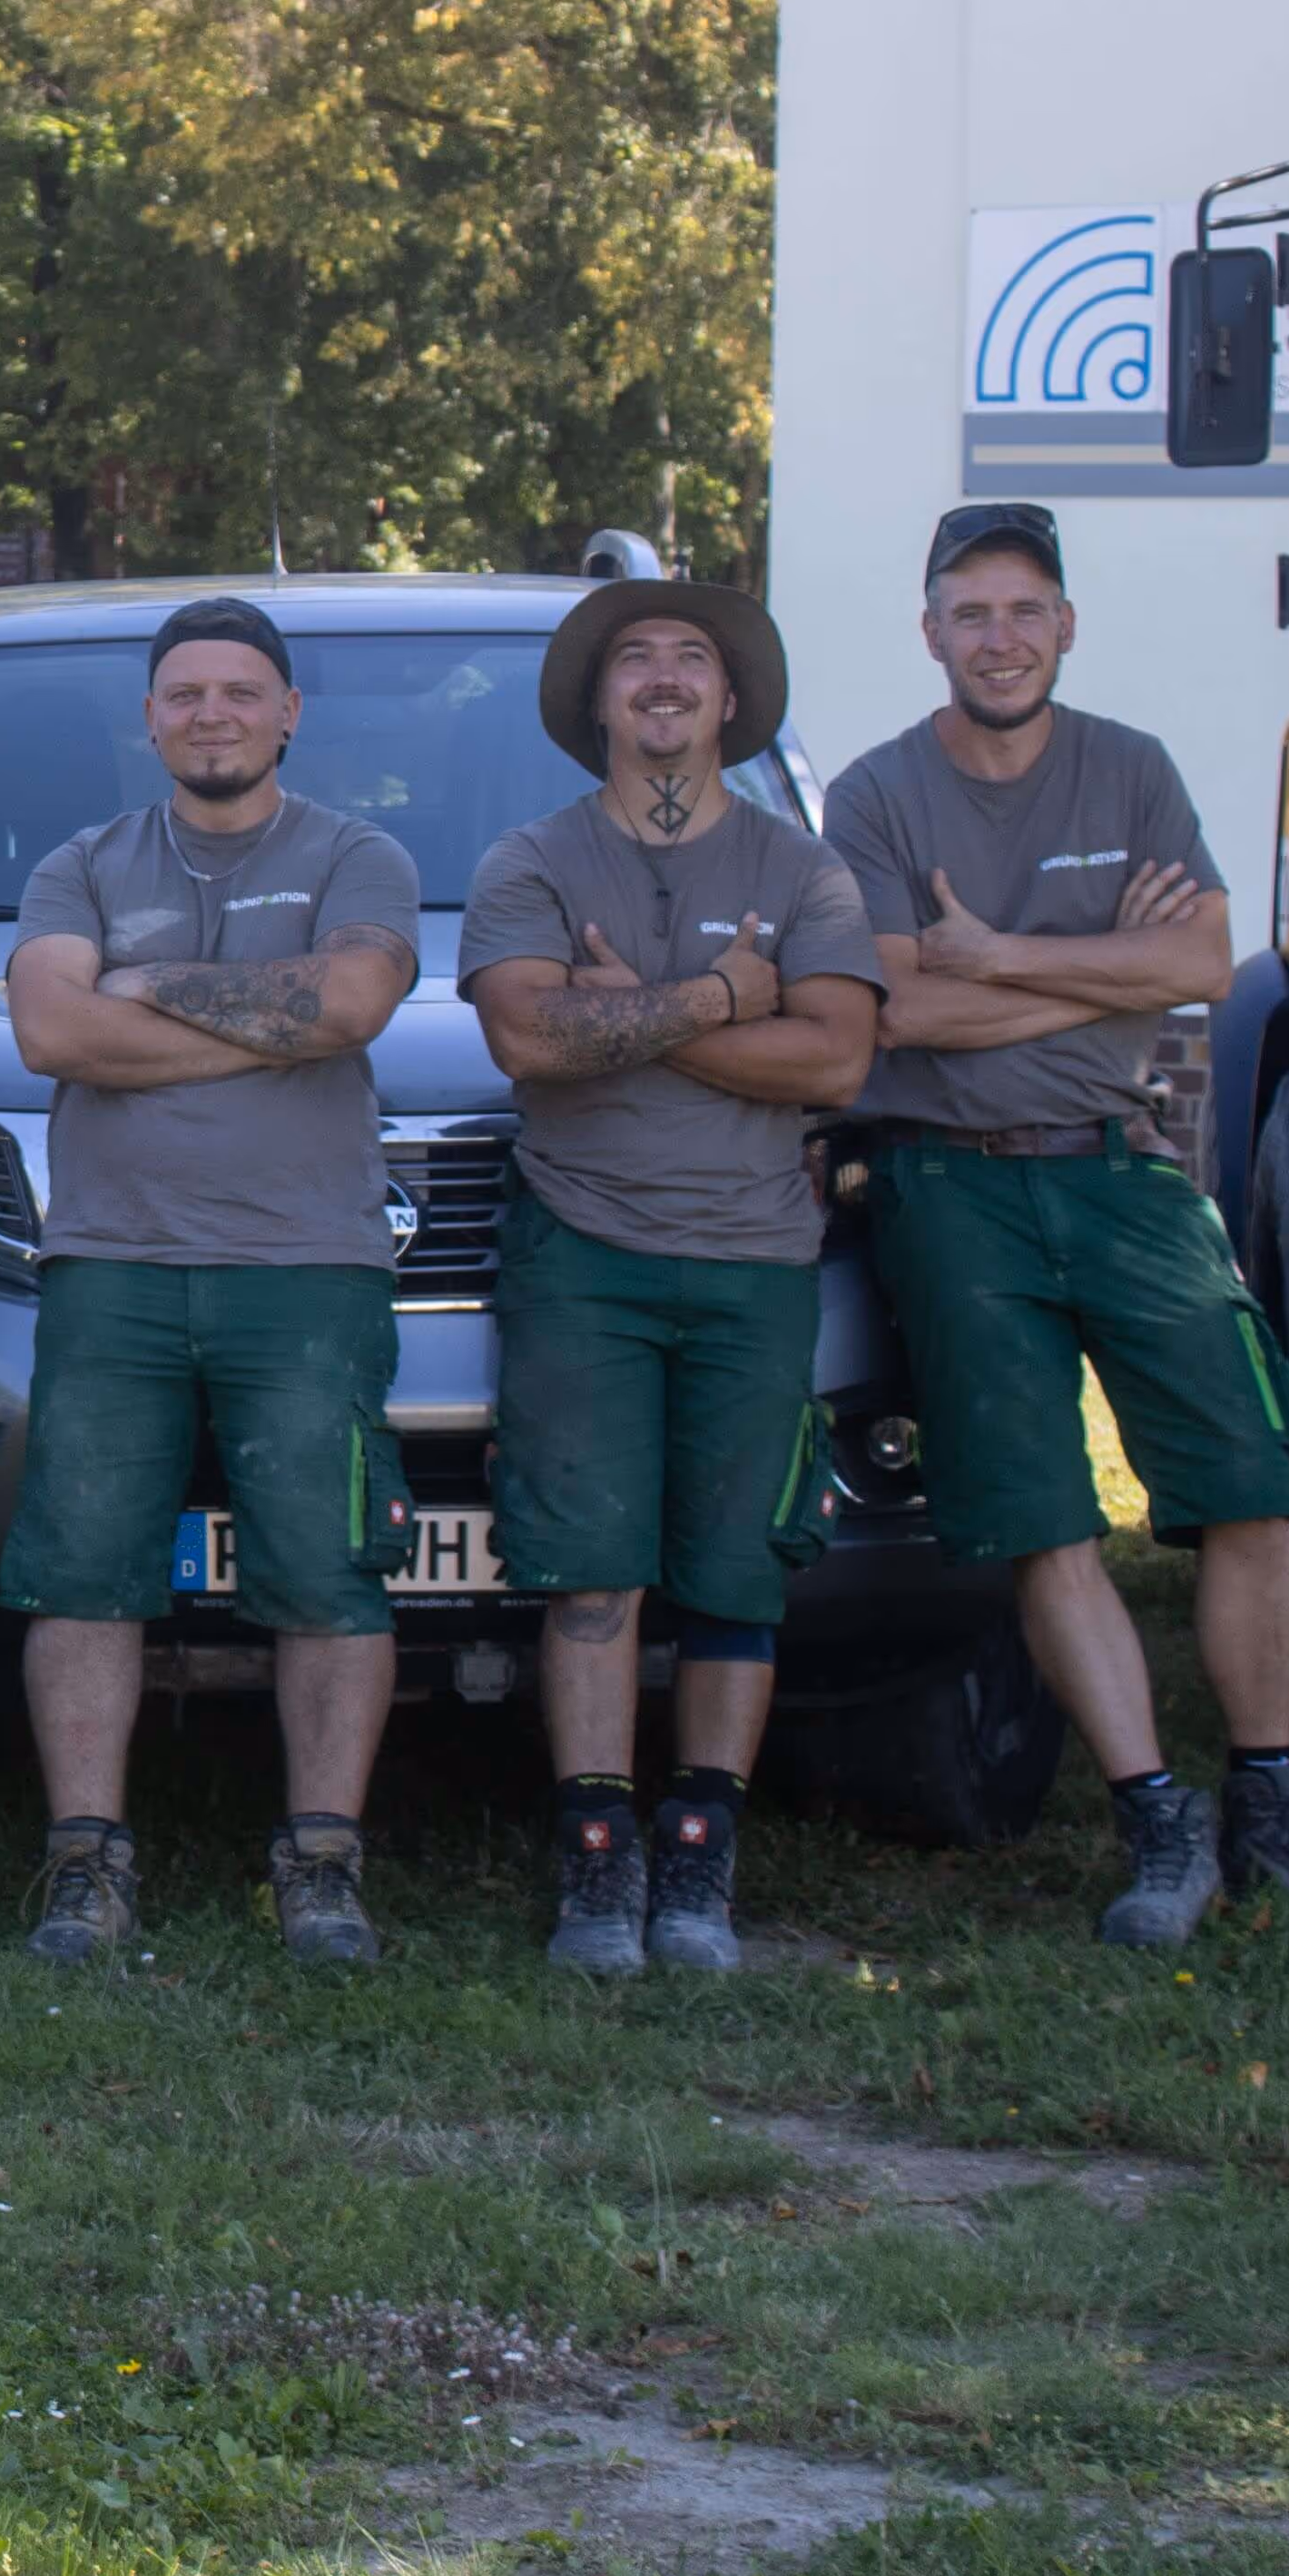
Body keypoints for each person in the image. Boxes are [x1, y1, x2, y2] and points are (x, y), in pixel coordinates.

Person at [823, 502, 1289, 1947]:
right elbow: (901, 1008)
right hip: (946, 1187)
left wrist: (1006, 954)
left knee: (1245, 1480)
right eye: (971, 614)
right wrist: (1106, 975)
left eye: (1024, 611)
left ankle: (1272, 1800)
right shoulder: (880, 794)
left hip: (1120, 1167)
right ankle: (1157, 1818)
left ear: (1065, 625)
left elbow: (1203, 958)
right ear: (931, 631)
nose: (999, 639)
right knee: (1039, 1516)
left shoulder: (1129, 769)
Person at [457, 578, 881, 1976]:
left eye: (689, 658)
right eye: (631, 659)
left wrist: (624, 1008)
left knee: (736, 1574)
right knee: (587, 1568)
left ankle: (700, 1851)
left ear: (733, 702)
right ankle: (596, 1854)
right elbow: (530, 1043)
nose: (660, 678)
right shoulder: (531, 859)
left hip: (757, 1258)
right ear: (595, 705)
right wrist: (716, 998)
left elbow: (832, 1060)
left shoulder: (804, 870)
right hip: (583, 1248)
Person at [0, 595, 424, 1966]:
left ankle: (320, 1864)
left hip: (307, 1270)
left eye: (241, 693)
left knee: (327, 1573)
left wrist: (148, 988)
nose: (212, 715)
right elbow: (51, 1026)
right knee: (84, 1571)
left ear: (289, 713)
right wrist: (266, 1021)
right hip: (113, 1266)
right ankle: (85, 1865)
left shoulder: (358, 855)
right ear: (151, 719)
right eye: (185, 695)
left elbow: (352, 1010)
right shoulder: (81, 861)